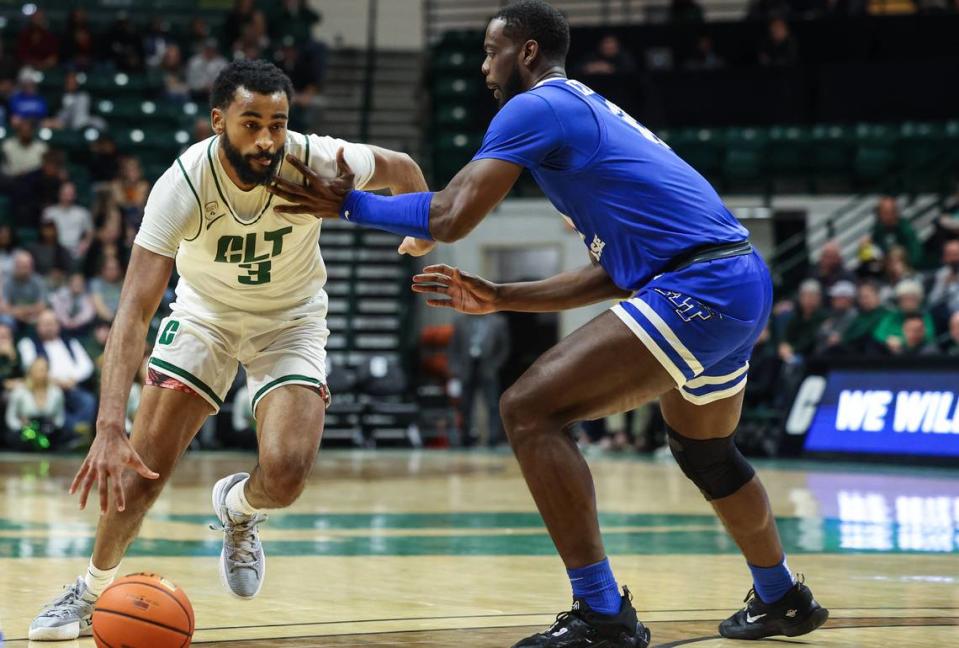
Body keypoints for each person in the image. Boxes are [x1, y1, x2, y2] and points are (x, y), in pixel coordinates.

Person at [277, 3, 829, 645]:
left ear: (529, 52)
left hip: (699, 285)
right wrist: (500, 295)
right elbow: (620, 275)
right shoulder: (581, 112)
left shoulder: (534, 108)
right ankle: (781, 594)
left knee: (528, 409)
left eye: (492, 51)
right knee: (706, 452)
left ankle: (601, 614)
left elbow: (452, 214)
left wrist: (349, 204)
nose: (485, 67)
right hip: (732, 279)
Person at [28, 59, 429, 640]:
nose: (267, 139)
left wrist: (418, 229)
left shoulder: (313, 157)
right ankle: (89, 593)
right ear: (219, 121)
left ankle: (239, 509)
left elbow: (403, 167)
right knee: (140, 477)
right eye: (251, 123)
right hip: (204, 319)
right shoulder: (182, 183)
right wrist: (109, 425)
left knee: (287, 475)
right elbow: (133, 311)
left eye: (278, 123)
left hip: (290, 321)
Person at [18, 309, 96, 438]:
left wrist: (72, 380)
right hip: (46, 387)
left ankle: (76, 435)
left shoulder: (70, 342)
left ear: (58, 325)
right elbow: (30, 366)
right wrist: (54, 381)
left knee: (88, 401)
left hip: (72, 385)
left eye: (52, 323)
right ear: (37, 326)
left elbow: (86, 366)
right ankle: (74, 435)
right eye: (45, 324)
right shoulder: (28, 343)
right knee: (56, 403)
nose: (49, 327)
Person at [448, 312, 510, 446]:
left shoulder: (498, 321)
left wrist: (495, 365)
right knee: (465, 405)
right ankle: (466, 438)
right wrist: (455, 369)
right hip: (467, 368)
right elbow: (454, 347)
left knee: (492, 405)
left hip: (488, 368)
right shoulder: (460, 321)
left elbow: (504, 348)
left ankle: (492, 438)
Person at [5, 357, 65, 448]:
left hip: (48, 430)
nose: (41, 374)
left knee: (65, 435)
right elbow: (10, 418)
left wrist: (53, 427)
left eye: (44, 370)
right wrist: (21, 426)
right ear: (30, 372)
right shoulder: (19, 391)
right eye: (38, 370)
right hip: (25, 431)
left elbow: (59, 417)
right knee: (12, 438)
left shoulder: (56, 392)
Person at [42, 182, 95, 262]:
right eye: (65, 194)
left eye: (70, 194)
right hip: (54, 250)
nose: (67, 197)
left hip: (76, 251)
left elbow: (90, 233)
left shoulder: (82, 213)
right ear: (59, 194)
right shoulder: (49, 212)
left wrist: (85, 244)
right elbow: (44, 232)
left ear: (75, 195)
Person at [5, 250, 48, 330]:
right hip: (13, 316)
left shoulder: (38, 281)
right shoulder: (7, 281)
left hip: (34, 315)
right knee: (6, 320)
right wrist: (20, 313)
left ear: (31, 267)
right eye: (20, 266)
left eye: (26, 267)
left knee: (47, 317)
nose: (23, 270)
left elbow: (42, 306)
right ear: (15, 266)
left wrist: (23, 311)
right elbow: (4, 307)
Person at [927, 239, 959, 316]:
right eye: (950, 255)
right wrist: (944, 284)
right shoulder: (941, 274)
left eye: (956, 254)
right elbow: (933, 301)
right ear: (945, 257)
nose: (954, 259)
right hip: (947, 315)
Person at [90, 256, 124, 323]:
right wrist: (114, 320)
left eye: (115, 268)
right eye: (110, 269)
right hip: (103, 322)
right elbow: (99, 305)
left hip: (121, 320)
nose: (113, 271)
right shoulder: (96, 283)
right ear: (103, 270)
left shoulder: (122, 284)